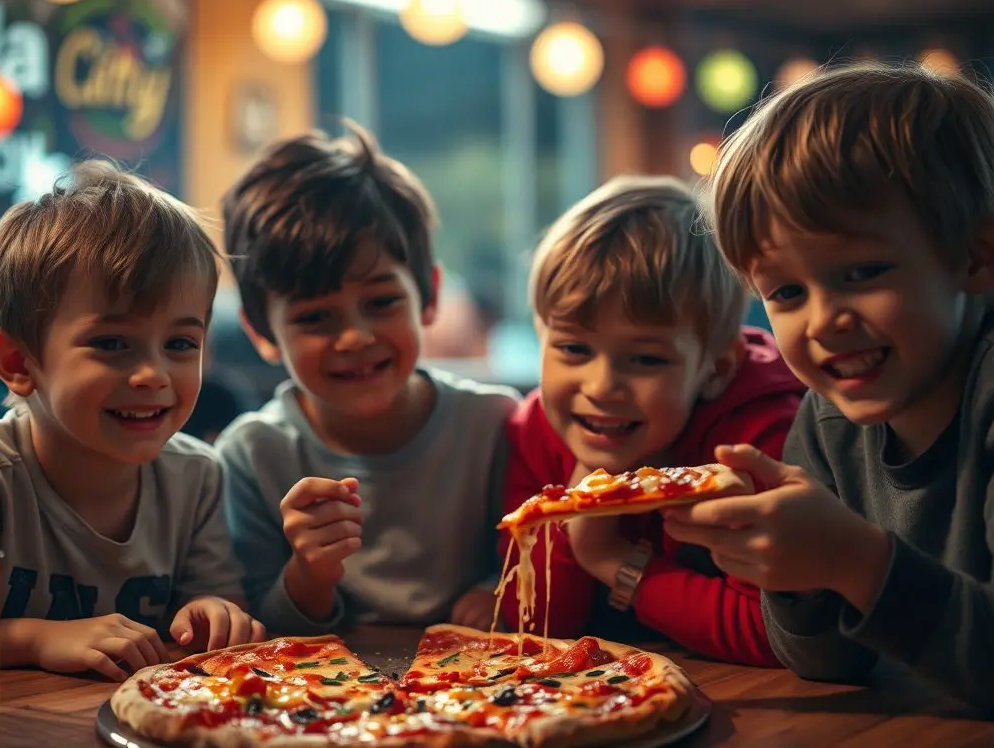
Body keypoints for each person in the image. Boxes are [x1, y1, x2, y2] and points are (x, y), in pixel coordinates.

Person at [664, 62, 994, 708]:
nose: (822, 321)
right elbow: (824, 664)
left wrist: (856, 562)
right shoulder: (825, 420)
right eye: (786, 292)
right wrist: (798, 573)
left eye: (862, 273)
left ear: (975, 257)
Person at [216, 124, 519, 634]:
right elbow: (255, 629)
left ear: (428, 296)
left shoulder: (494, 425)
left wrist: (498, 588)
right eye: (315, 317)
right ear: (262, 332)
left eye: (381, 303)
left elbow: (531, 555)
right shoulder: (251, 456)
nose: (355, 337)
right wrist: (309, 573)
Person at [0, 162, 262, 682]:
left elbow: (217, 598)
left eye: (180, 343)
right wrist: (37, 639)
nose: (153, 375)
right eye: (111, 343)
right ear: (18, 362)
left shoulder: (197, 478)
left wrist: (212, 613)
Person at [499, 175, 805, 665]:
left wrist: (610, 559)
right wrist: (581, 497)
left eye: (646, 359)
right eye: (574, 349)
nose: (601, 387)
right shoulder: (537, 428)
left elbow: (774, 632)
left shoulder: (756, 443)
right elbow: (533, 628)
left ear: (716, 369)